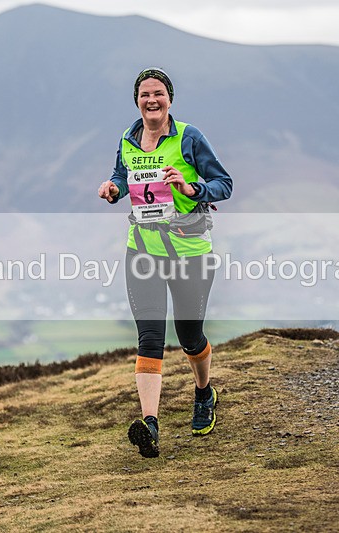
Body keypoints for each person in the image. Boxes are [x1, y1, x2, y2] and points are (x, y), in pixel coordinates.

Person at [98, 67, 233, 458]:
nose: (151, 100)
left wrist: (191, 187)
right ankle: (151, 425)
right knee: (150, 337)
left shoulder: (190, 137)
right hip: (142, 249)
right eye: (144, 95)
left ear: (169, 99)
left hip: (190, 252)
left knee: (189, 336)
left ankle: (204, 393)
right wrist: (113, 188)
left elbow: (224, 184)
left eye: (158, 93)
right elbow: (122, 176)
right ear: (137, 101)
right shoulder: (128, 138)